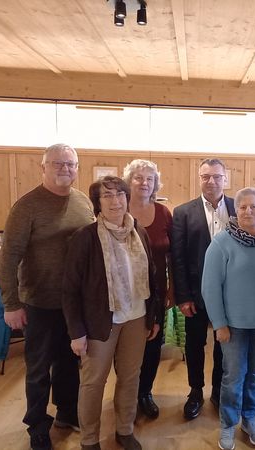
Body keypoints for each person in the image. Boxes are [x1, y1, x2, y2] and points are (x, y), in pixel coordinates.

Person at [0, 143, 95, 450]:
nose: (64, 169)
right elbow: (8, 257)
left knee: (70, 362)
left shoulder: (83, 202)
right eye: (57, 164)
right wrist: (11, 304)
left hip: (74, 303)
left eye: (70, 164)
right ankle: (37, 424)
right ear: (43, 168)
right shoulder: (27, 206)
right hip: (38, 300)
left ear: (77, 168)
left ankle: (67, 412)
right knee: (39, 367)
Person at [62, 176, 160, 450]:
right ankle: (90, 438)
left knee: (130, 377)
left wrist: (153, 318)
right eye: (107, 196)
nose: (115, 201)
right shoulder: (85, 238)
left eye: (119, 194)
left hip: (137, 318)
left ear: (127, 198)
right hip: (100, 323)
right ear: (97, 203)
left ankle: (124, 430)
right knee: (93, 382)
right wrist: (77, 332)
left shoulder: (139, 232)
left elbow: (152, 277)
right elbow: (69, 291)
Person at [202, 187, 255, 450]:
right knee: (233, 377)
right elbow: (210, 287)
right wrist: (219, 324)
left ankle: (250, 419)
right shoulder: (221, 243)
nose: (249, 211)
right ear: (236, 211)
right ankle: (228, 424)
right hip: (233, 326)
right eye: (243, 207)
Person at [171, 158, 236, 420]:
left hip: (230, 295)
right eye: (206, 176)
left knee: (224, 344)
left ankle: (219, 391)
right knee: (195, 344)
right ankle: (195, 391)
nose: (211, 181)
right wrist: (183, 296)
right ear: (199, 179)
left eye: (217, 176)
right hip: (196, 295)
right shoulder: (183, 212)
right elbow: (177, 258)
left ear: (225, 179)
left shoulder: (237, 208)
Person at [123, 159, 173, 419]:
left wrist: (172, 291)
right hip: (124, 292)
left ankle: (145, 393)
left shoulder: (164, 213)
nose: (144, 183)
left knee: (152, 345)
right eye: (138, 177)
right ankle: (126, 394)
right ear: (129, 181)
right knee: (125, 348)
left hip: (156, 293)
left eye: (149, 179)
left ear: (155, 184)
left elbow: (174, 255)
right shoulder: (116, 209)